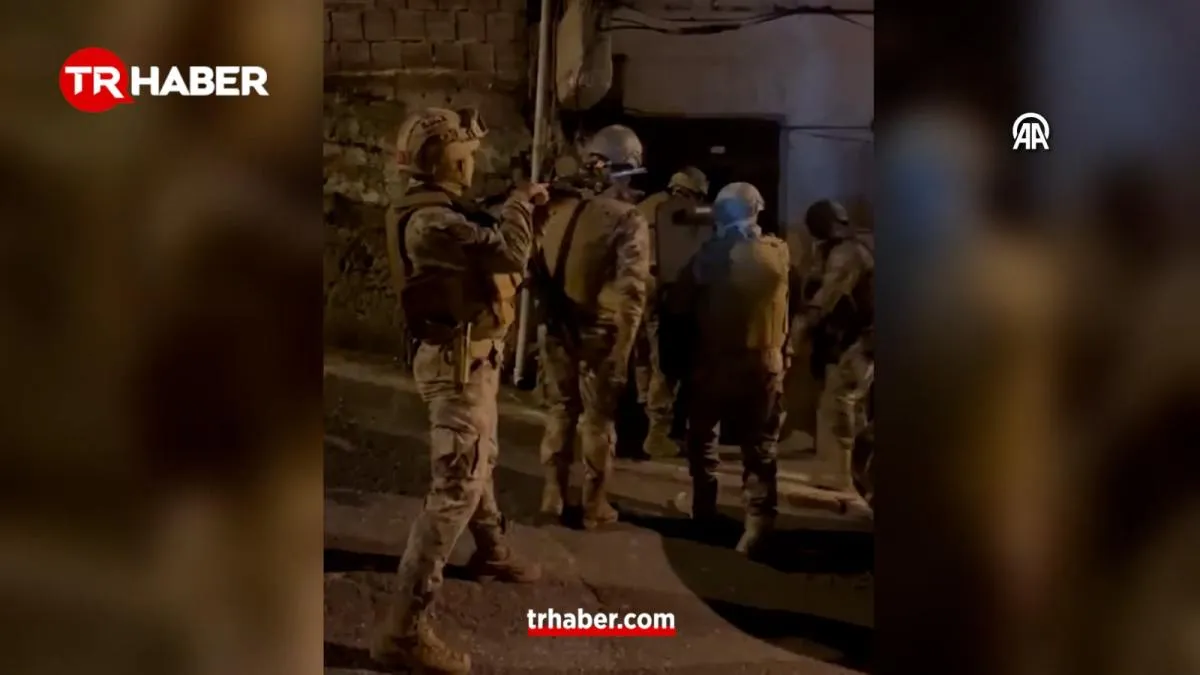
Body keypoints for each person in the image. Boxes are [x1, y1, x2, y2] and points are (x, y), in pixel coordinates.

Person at [371, 107, 548, 675]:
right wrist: (520, 203)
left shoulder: (436, 209)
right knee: (457, 484)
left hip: (470, 355)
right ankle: (403, 630)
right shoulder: (432, 222)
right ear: (445, 159)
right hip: (455, 363)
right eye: (466, 154)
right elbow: (510, 252)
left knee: (479, 458)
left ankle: (492, 550)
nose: (472, 163)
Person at [533, 124, 652, 529]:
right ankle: (593, 505)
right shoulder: (627, 219)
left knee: (560, 409)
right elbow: (632, 292)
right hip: (600, 332)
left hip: (555, 327)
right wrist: (624, 350)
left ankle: (552, 495)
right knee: (598, 420)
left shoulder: (555, 208)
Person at [667, 182, 791, 555]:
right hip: (766, 362)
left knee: (703, 435)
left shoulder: (709, 257)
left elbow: (678, 305)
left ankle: (703, 505)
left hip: (715, 361)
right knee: (761, 445)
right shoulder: (779, 253)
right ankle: (757, 523)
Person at [633, 166, 710, 457]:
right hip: (663, 293)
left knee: (642, 360)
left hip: (634, 291)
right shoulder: (685, 212)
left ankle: (641, 423)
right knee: (666, 366)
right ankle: (656, 434)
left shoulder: (645, 206)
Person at [800, 199, 874, 494]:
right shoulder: (843, 248)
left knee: (839, 401)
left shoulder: (847, 252)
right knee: (853, 404)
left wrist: (799, 333)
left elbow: (826, 297)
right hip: (858, 338)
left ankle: (842, 473)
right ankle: (858, 473)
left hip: (861, 338)